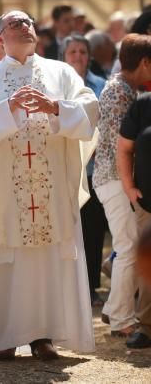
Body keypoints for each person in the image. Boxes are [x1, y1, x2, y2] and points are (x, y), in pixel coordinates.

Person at [0, 10, 98, 360]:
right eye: (16, 23)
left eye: (29, 22)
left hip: (49, 184)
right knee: (7, 260)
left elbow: (90, 110)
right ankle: (4, 336)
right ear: (0, 38)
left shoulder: (60, 72)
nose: (25, 26)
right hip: (6, 184)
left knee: (44, 262)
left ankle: (42, 335)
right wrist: (7, 108)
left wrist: (54, 107)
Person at [94, 34, 151, 347]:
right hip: (114, 178)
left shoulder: (126, 88)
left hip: (117, 179)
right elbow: (123, 145)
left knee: (127, 245)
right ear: (144, 63)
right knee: (128, 246)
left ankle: (118, 312)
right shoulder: (119, 91)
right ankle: (121, 318)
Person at [62, 34, 110, 311]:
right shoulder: (56, 83)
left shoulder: (100, 86)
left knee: (92, 234)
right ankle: (67, 287)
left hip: (91, 170)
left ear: (89, 55)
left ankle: (91, 287)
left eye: (82, 51)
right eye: (72, 51)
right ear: (65, 55)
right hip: (64, 170)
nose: (77, 56)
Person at [120, 85, 151, 343]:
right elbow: (124, 148)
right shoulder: (142, 105)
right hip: (148, 204)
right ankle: (146, 327)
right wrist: (129, 188)